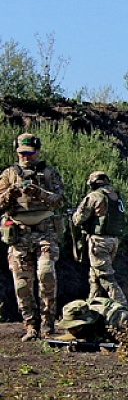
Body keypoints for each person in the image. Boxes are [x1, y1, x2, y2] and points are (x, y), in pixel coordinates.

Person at [0, 133, 66, 340]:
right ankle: (30, 324)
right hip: (19, 234)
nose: (25, 157)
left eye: (29, 153)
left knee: (46, 274)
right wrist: (10, 193)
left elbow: (60, 201)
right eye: (22, 153)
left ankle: (48, 323)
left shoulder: (48, 173)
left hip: (45, 231)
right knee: (21, 283)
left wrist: (39, 193)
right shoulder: (9, 174)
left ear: (37, 151)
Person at [71, 171, 128, 303]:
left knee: (106, 278)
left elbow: (79, 219)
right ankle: (92, 307)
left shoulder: (95, 196)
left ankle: (124, 307)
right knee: (95, 278)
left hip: (99, 242)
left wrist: (73, 215)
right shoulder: (115, 196)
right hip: (113, 241)